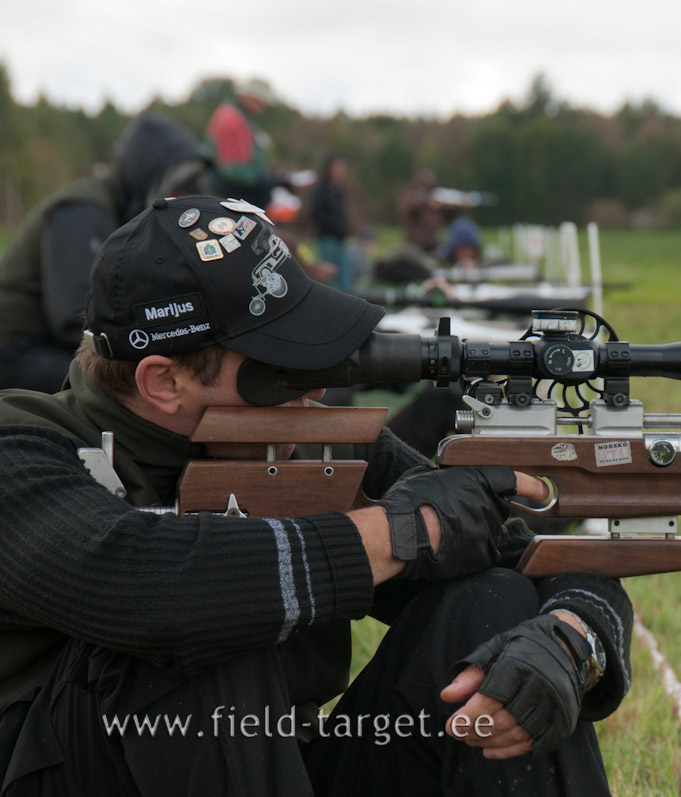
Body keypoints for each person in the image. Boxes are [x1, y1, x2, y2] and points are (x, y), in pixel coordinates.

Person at [0, 195, 632, 795]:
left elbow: (538, 559)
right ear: (163, 381)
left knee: (495, 603)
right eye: (278, 371)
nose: (315, 394)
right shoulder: (20, 451)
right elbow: (150, 585)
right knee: (207, 618)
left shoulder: (306, 441)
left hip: (267, 765)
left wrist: (574, 638)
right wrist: (405, 532)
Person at [0, 112, 209, 392]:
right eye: (175, 184)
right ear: (148, 175)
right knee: (137, 393)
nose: (178, 196)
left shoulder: (122, 215)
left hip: (50, 347)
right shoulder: (84, 211)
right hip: (20, 350)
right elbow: (76, 316)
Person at [205, 78, 290, 209]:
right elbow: (237, 171)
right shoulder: (233, 120)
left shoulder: (234, 115)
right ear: (248, 97)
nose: (265, 107)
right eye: (262, 102)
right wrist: (272, 181)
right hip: (229, 196)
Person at [311, 154, 352, 292]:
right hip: (327, 236)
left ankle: (347, 298)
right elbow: (318, 212)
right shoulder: (322, 189)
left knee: (344, 272)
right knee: (327, 273)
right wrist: (332, 226)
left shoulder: (338, 189)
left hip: (340, 237)